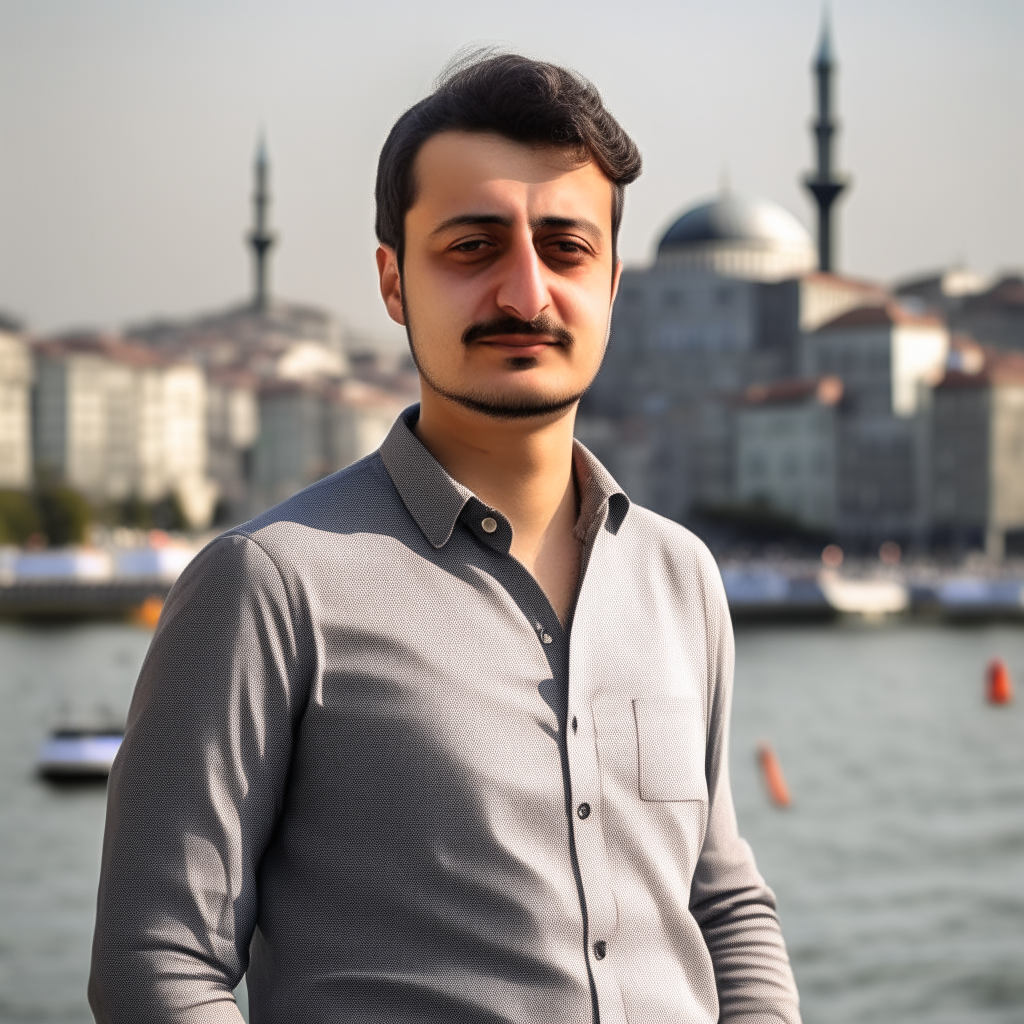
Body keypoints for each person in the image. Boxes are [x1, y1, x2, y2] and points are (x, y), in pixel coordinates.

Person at [90, 53, 800, 1024]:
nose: (524, 292)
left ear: (612, 282)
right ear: (393, 281)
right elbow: (154, 961)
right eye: (472, 248)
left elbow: (720, 899)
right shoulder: (269, 585)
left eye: (564, 247)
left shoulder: (679, 575)